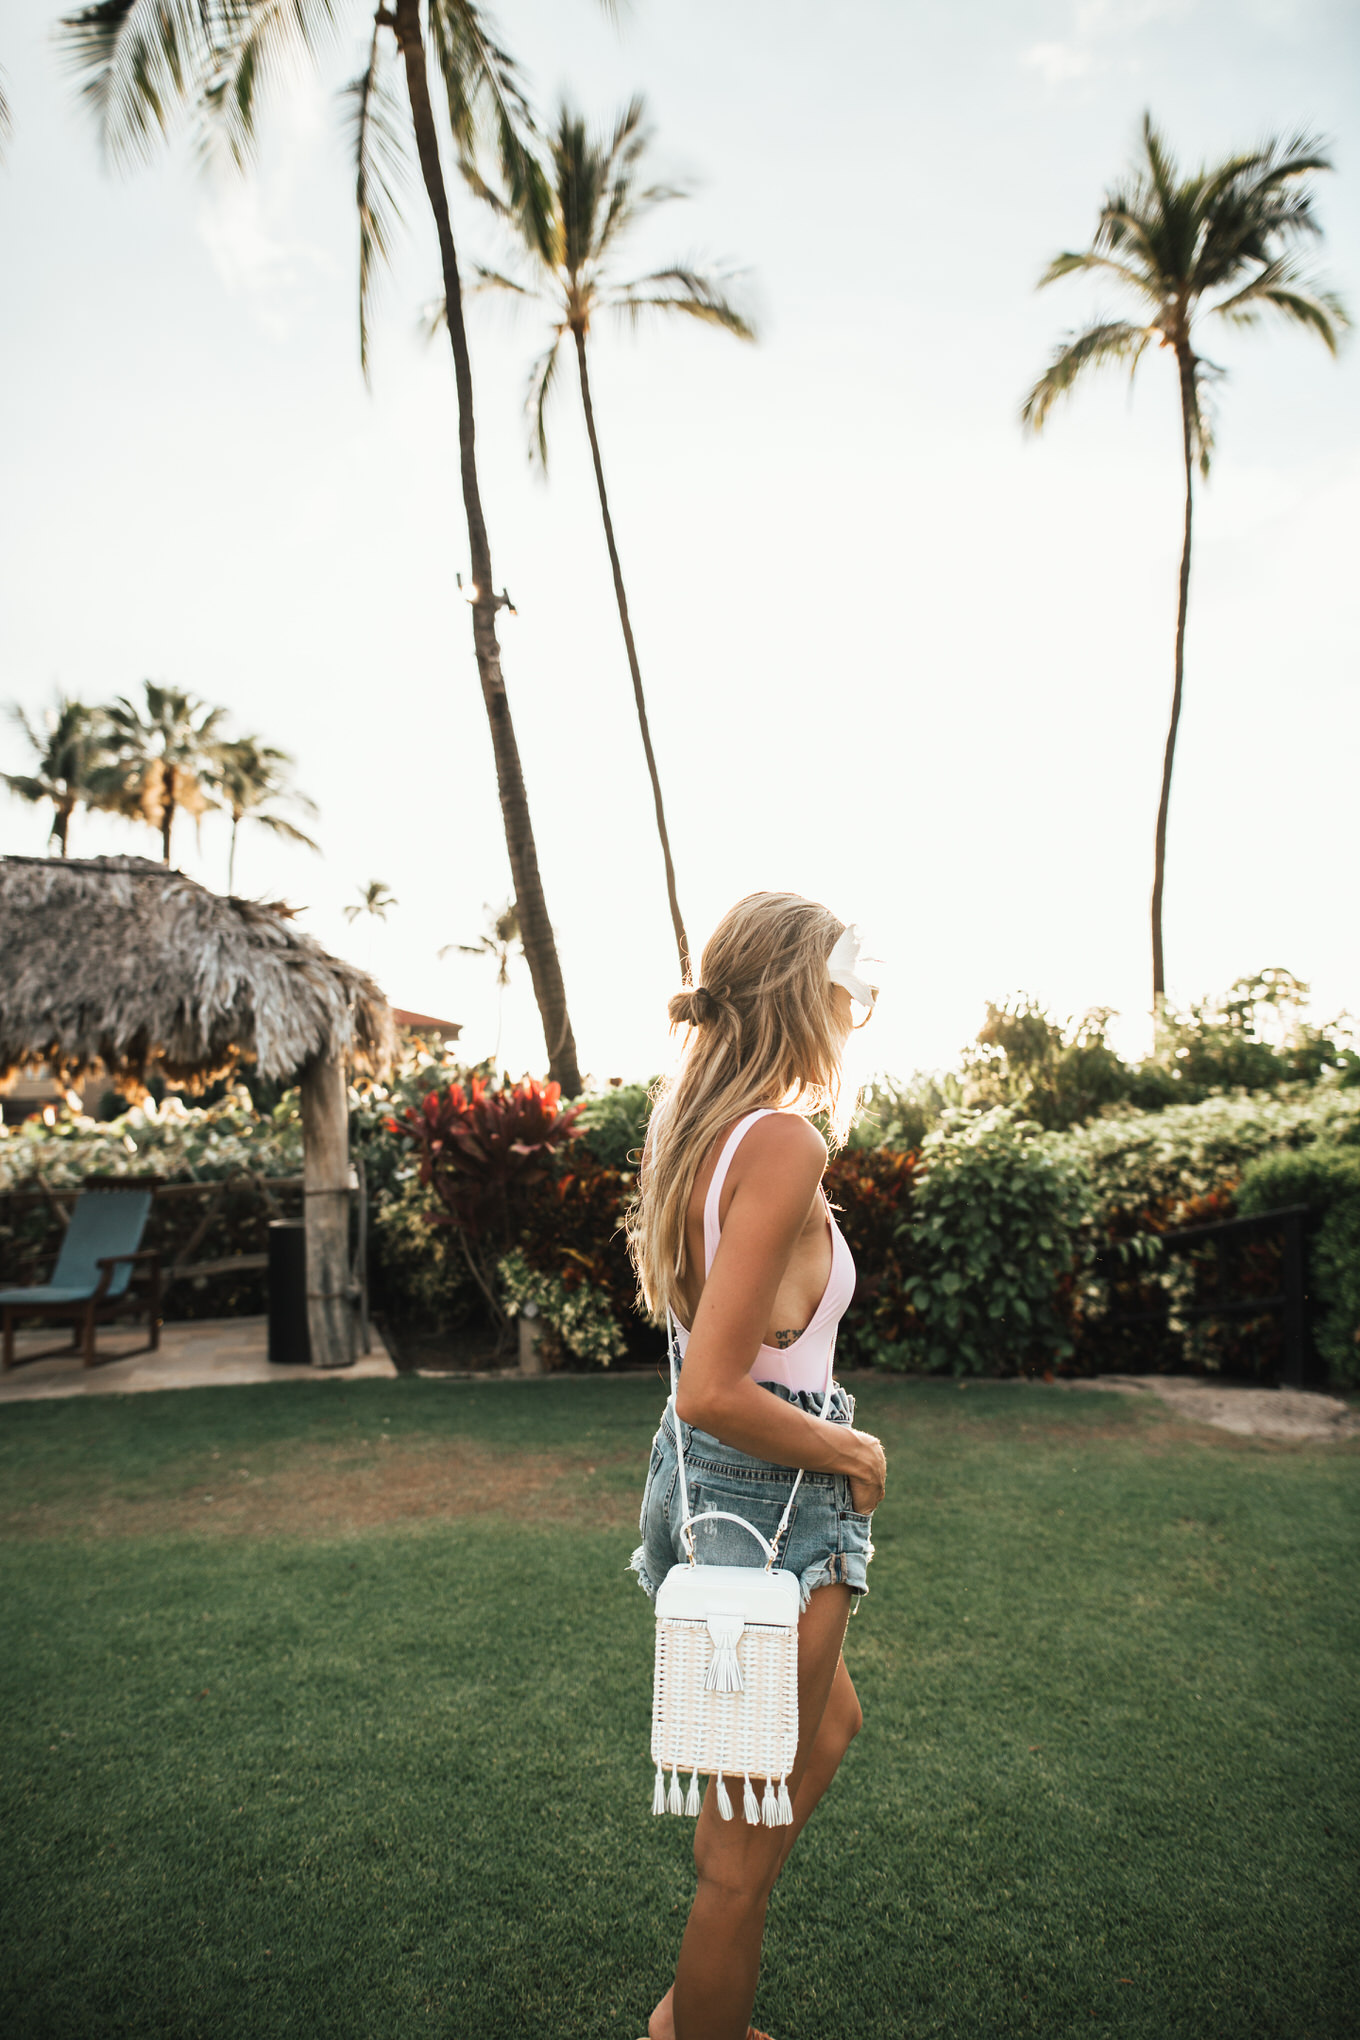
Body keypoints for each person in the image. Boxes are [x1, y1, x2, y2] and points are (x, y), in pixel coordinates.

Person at [627, 891, 889, 2040]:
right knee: (739, 1863)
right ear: (804, 990)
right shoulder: (782, 1140)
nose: (856, 1005)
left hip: (712, 1492)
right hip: (771, 1500)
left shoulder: (705, 1128)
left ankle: (694, 2006)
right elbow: (715, 1387)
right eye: (849, 983)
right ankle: (699, 2027)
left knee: (829, 1727)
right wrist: (849, 1447)